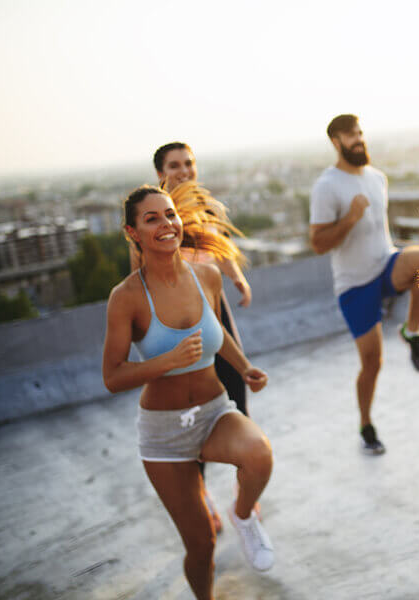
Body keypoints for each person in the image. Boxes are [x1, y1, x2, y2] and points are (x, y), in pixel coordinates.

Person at [104, 185, 275, 599]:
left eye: (170, 215)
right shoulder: (127, 297)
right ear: (133, 232)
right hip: (164, 434)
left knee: (259, 454)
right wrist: (167, 361)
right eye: (152, 219)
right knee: (201, 546)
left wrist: (245, 366)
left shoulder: (208, 276)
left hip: (214, 411)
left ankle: (244, 517)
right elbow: (112, 376)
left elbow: (218, 335)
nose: (166, 224)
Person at [130, 142, 254, 532]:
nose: (184, 171)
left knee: (237, 398)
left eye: (189, 164)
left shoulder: (208, 207)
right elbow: (138, 271)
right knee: (192, 415)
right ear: (160, 173)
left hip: (215, 316)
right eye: (174, 165)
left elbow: (221, 247)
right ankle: (201, 499)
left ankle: (244, 495)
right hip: (178, 325)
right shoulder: (157, 219)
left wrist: (236, 277)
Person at [309, 114, 419, 455]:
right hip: (354, 285)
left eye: (360, 133)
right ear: (336, 142)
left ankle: (412, 331)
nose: (359, 140)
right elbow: (318, 243)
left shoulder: (376, 178)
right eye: (351, 136)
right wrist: (349, 218)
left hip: (385, 264)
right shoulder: (326, 186)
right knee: (372, 362)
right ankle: (366, 424)